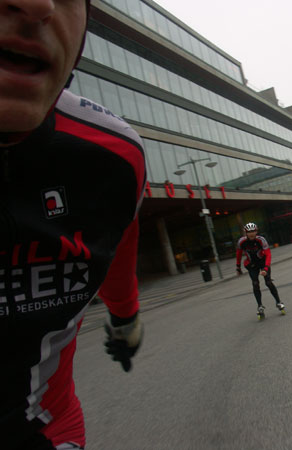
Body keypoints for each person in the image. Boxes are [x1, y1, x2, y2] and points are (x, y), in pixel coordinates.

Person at [1, 1, 146, 449]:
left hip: (44, 427)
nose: (39, 4)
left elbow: (116, 248)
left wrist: (126, 320)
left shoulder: (113, 159)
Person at [236, 223, 284, 318]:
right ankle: (260, 306)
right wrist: (238, 267)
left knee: (268, 282)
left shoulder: (261, 240)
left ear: (256, 231)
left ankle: (278, 302)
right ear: (246, 233)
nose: (251, 233)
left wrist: (266, 268)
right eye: (249, 232)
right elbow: (238, 253)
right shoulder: (241, 242)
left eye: (253, 231)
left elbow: (268, 254)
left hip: (262, 262)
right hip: (252, 264)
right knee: (255, 283)